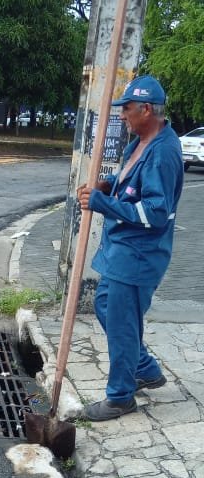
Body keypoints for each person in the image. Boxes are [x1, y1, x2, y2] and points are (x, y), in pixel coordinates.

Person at [77, 74, 183, 422]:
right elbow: (126, 184)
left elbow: (155, 213)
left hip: (139, 256)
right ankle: (145, 368)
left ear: (147, 109)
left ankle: (120, 396)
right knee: (106, 306)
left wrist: (102, 204)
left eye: (127, 109)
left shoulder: (163, 153)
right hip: (119, 249)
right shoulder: (137, 142)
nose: (122, 115)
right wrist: (106, 187)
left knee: (122, 324)